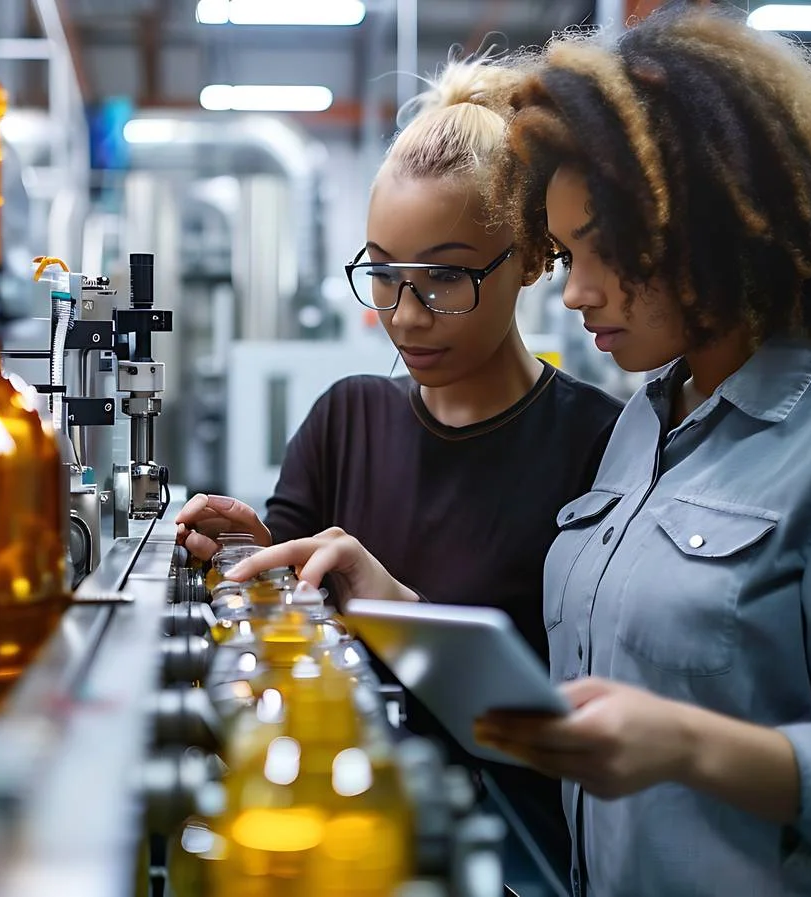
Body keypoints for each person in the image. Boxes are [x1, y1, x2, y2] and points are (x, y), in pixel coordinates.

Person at [223, 8, 811, 897]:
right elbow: (565, 718)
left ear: (705, 227)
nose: (576, 290)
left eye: (603, 251)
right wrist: (386, 599)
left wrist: (692, 746)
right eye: (566, 248)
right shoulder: (642, 428)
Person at [176, 59, 623, 892]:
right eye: (383, 273)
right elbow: (296, 630)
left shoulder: (600, 448)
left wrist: (393, 605)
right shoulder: (344, 421)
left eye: (446, 277)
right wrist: (253, 563)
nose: (407, 316)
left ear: (531, 259)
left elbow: (584, 727)